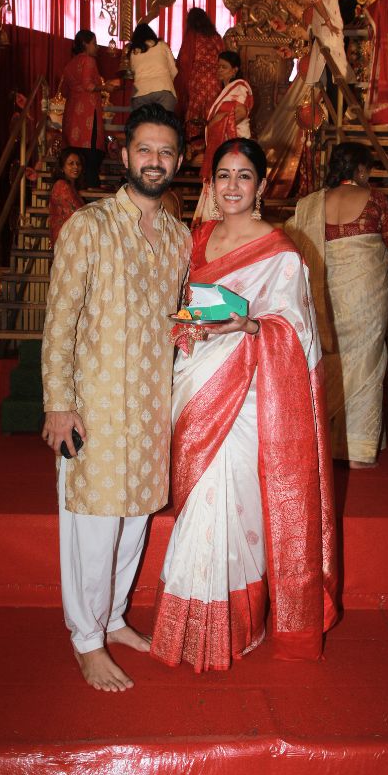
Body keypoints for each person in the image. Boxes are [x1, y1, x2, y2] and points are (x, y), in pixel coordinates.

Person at [150, 137, 339, 673]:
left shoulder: (281, 251)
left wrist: (251, 325)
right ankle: (193, 626)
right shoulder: (195, 239)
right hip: (196, 378)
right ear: (211, 183)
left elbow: (298, 331)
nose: (232, 186)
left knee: (231, 500)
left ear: (261, 186)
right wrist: (185, 325)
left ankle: (235, 625)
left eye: (244, 176)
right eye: (223, 175)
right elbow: (180, 304)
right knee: (200, 501)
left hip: (251, 391)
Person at [41, 102, 192, 693]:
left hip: (151, 407)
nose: (154, 160)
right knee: (93, 523)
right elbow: (60, 321)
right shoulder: (90, 226)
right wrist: (59, 404)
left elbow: (182, 319)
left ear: (177, 161)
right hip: (95, 409)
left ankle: (112, 618)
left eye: (165, 152)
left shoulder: (179, 238)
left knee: (135, 520)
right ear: (126, 155)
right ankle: (86, 639)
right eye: (144, 149)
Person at [286, 142, 388, 469]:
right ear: (362, 170)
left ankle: (321, 442)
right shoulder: (375, 200)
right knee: (366, 364)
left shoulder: (311, 205)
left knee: (328, 360)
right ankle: (357, 451)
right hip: (365, 298)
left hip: (325, 297)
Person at [192, 51, 253, 226]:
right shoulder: (225, 91)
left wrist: (215, 122)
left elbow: (239, 113)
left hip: (235, 144)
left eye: (224, 67)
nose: (219, 70)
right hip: (223, 145)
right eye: (218, 66)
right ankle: (213, 223)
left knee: (228, 182)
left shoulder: (240, 88)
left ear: (235, 70)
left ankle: (225, 222)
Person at [61, 29, 119, 190]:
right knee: (91, 159)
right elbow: (89, 85)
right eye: (94, 43)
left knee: (75, 157)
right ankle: (90, 196)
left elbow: (64, 91)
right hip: (87, 115)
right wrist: (106, 87)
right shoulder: (88, 60)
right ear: (85, 44)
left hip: (72, 115)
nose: (97, 47)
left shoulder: (70, 64)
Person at [174, 8, 224, 160]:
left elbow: (184, 60)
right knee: (211, 112)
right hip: (215, 80)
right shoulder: (216, 37)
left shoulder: (193, 35)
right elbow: (223, 56)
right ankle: (211, 150)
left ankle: (195, 152)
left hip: (197, 80)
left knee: (195, 112)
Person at [303, 0, 354, 87]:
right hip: (327, 40)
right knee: (333, 80)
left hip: (331, 40)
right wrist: (328, 21)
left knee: (342, 79)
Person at [127, 22, 179, 113]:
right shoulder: (162, 45)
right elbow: (174, 70)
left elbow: (133, 72)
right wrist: (166, 81)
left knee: (143, 121)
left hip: (140, 92)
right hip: (164, 89)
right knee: (164, 121)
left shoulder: (133, 52)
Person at [47, 147, 86, 247]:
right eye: (71, 163)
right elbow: (76, 213)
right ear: (62, 167)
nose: (75, 167)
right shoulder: (61, 186)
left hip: (70, 238)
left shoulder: (71, 187)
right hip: (65, 242)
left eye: (78, 164)